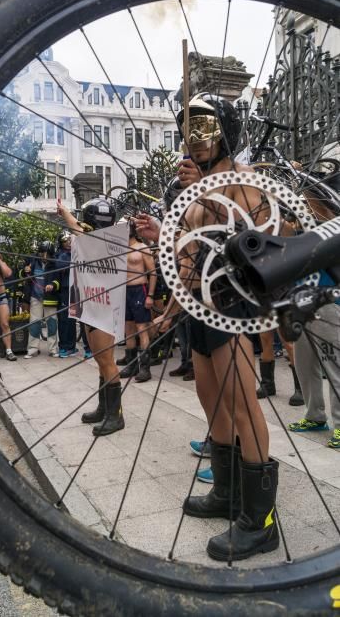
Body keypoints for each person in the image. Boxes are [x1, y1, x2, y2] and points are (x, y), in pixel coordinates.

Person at [137, 93, 278, 562]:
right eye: (188, 129)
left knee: (241, 403)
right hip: (198, 307)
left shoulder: (242, 179)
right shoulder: (193, 193)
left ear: (226, 131)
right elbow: (185, 258)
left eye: (205, 127)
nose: (194, 139)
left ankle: (260, 520)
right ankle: (226, 493)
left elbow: (255, 230)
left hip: (231, 303)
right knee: (208, 395)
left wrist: (215, 200)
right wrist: (163, 243)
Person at [57, 197, 124, 436]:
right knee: (100, 361)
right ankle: (103, 408)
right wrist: (65, 212)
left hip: (103, 308)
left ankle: (116, 416)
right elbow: (77, 228)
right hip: (92, 305)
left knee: (107, 361)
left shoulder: (104, 242)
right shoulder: (101, 238)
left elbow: (76, 228)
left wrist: (64, 212)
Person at [288, 271, 340, 449]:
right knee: (305, 365)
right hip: (299, 299)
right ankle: (314, 416)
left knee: (334, 368)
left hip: (327, 300)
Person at [117, 221, 156, 383]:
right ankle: (132, 364)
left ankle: (145, 368)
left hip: (140, 290)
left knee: (142, 328)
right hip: (125, 291)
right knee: (129, 329)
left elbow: (153, 273)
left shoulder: (142, 248)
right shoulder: (119, 249)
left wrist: (150, 295)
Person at [23, 240, 60, 358]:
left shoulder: (55, 264)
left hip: (50, 299)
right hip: (36, 297)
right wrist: (25, 271)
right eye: (42, 253)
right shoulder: (33, 263)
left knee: (52, 323)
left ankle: (53, 349)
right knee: (34, 323)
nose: (44, 256)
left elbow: (58, 280)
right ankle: (33, 349)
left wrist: (53, 285)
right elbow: (22, 276)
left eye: (47, 253)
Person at [55, 231, 79, 358]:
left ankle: (71, 346)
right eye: (66, 241)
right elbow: (60, 265)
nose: (69, 243)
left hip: (75, 288)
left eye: (70, 240)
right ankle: (64, 346)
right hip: (64, 290)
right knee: (64, 319)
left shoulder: (76, 252)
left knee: (72, 319)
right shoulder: (61, 254)